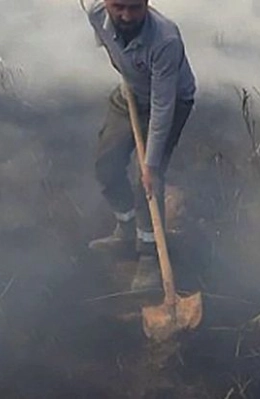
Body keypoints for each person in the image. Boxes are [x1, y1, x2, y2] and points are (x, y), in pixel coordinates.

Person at [83, 0, 196, 290]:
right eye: (118, 6)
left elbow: (163, 104)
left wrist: (150, 164)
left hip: (169, 101)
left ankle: (150, 257)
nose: (126, 15)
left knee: (147, 178)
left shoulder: (165, 39)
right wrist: (130, 75)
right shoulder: (96, 14)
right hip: (131, 92)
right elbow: (112, 49)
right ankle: (126, 226)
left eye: (135, 7)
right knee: (106, 164)